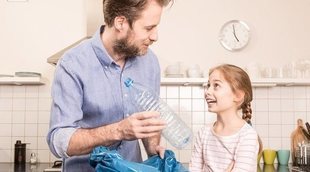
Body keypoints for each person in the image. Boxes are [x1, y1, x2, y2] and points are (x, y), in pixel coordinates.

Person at [47, 0, 173, 171]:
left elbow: (149, 119)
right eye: (148, 28)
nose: (155, 36)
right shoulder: (72, 64)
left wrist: (154, 149)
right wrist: (119, 130)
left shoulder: (149, 62)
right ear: (120, 22)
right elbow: (59, 141)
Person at [189, 64, 262, 172]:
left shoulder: (247, 136)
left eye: (216, 85)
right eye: (208, 85)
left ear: (237, 95)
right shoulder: (203, 133)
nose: (207, 91)